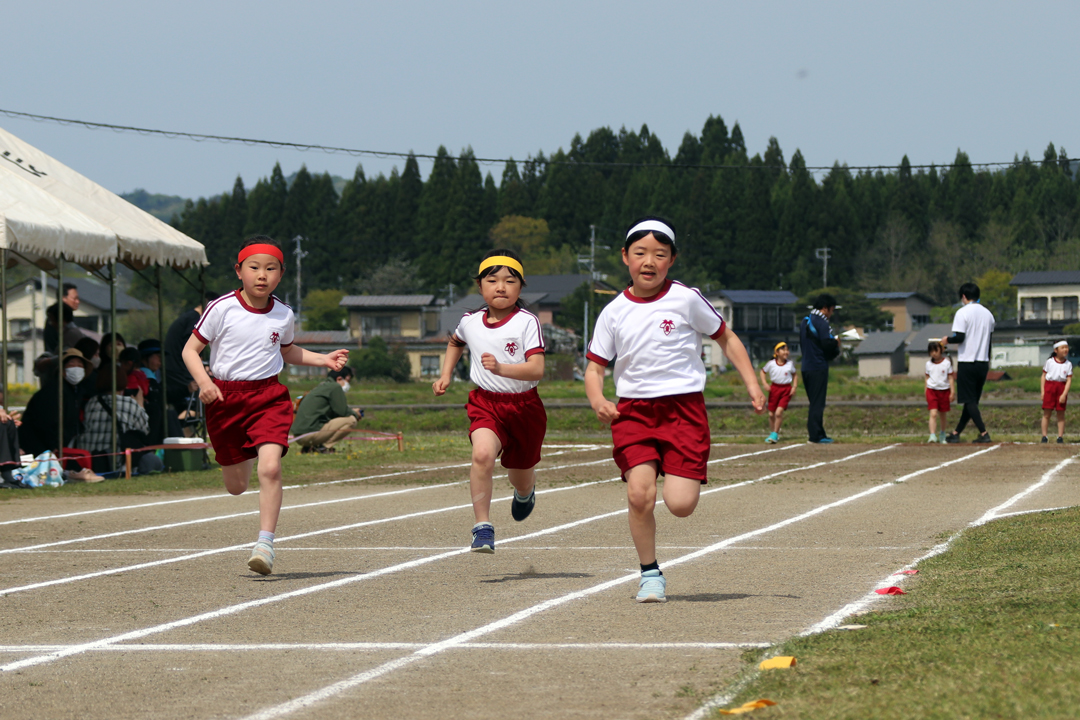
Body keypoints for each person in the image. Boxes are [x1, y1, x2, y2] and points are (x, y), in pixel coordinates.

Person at [584, 216, 765, 603]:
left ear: (672, 260)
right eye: (640, 253)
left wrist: (752, 382)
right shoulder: (613, 311)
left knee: (680, 505)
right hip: (633, 413)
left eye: (659, 254)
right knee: (639, 495)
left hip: (684, 411)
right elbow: (595, 367)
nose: (649, 261)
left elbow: (726, 338)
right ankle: (650, 574)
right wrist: (598, 399)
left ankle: (673, 476)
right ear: (625, 258)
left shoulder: (685, 299)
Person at [182, 236, 349, 575]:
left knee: (270, 467)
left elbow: (287, 351)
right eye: (254, 268)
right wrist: (205, 383)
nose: (262, 275)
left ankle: (265, 544)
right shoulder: (221, 308)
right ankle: (242, 461)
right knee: (236, 486)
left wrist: (323, 359)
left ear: (281, 274)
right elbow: (190, 351)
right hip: (224, 399)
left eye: (271, 269)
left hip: (268, 397)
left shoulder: (283, 314)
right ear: (238, 271)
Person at [433, 248, 546, 554]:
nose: (500, 286)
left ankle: (525, 492)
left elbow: (537, 368)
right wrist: (445, 374)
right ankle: (482, 528)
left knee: (519, 476)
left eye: (510, 281)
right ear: (480, 286)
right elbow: (456, 341)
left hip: (525, 407)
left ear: (520, 287)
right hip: (486, 403)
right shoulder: (470, 321)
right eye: (492, 280)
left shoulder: (527, 322)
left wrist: (502, 368)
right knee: (482, 455)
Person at [942, 283, 996, 443]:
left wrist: (947, 340)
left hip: (967, 361)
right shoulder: (988, 314)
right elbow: (990, 339)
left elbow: (959, 337)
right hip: (983, 362)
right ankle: (956, 432)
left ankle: (984, 433)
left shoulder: (962, 313)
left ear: (964, 296)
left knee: (969, 400)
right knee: (972, 401)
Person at [77, 365, 150, 473]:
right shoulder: (129, 403)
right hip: (116, 460)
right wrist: (140, 405)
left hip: (89, 458)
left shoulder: (92, 402)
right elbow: (145, 430)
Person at [20, 348, 90, 456]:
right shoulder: (53, 391)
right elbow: (45, 422)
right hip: (40, 448)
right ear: (62, 370)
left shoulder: (76, 391)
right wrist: (53, 446)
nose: (76, 368)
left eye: (80, 365)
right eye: (71, 364)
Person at [167, 292, 219, 415]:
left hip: (175, 370)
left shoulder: (189, 317)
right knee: (194, 407)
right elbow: (192, 348)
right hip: (180, 373)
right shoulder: (194, 320)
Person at [800, 294, 841, 443]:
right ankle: (815, 435)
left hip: (806, 366)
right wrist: (836, 344)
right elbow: (826, 344)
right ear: (825, 309)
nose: (831, 314)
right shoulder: (822, 322)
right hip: (818, 366)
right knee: (818, 403)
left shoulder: (806, 320)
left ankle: (820, 432)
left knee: (813, 401)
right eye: (831, 310)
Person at [292, 367, 361, 454]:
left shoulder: (322, 386)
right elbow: (342, 412)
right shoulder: (334, 387)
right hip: (309, 434)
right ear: (339, 379)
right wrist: (355, 413)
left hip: (299, 435)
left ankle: (310, 447)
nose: (348, 384)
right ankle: (323, 448)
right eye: (348, 380)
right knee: (351, 420)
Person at [760, 341, 797, 443]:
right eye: (783, 350)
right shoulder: (771, 364)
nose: (786, 352)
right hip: (774, 389)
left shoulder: (790, 364)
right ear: (777, 352)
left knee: (778, 412)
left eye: (787, 350)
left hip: (786, 390)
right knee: (771, 414)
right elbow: (763, 372)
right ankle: (773, 433)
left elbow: (794, 374)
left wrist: (794, 386)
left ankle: (775, 433)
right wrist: (765, 383)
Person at [1040, 340, 1072, 444]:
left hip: (1061, 387)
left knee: (1061, 414)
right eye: (1062, 348)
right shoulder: (1049, 362)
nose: (1065, 350)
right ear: (1056, 350)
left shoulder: (1068, 364)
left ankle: (1060, 437)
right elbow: (1044, 376)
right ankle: (1044, 436)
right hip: (1050, 387)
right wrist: (1043, 391)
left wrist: (1064, 394)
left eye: (1066, 347)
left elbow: (1069, 380)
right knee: (1047, 413)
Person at [924, 340, 956, 443]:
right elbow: (926, 378)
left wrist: (952, 392)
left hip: (944, 390)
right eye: (931, 351)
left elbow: (951, 378)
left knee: (943, 413)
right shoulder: (928, 364)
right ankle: (932, 435)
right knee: (933, 413)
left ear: (941, 350)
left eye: (935, 350)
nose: (934, 353)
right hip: (931, 390)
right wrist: (925, 391)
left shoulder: (947, 363)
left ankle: (942, 433)